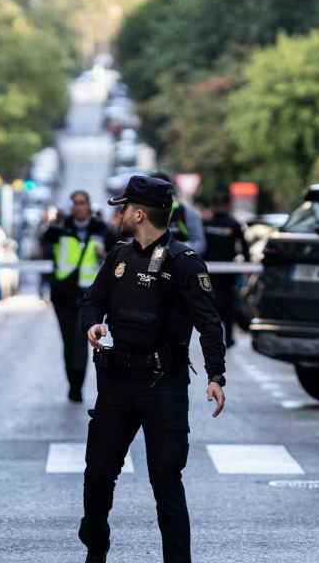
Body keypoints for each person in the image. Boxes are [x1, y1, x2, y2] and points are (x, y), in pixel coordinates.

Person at [78, 174, 226, 563]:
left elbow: (210, 323)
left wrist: (215, 375)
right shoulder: (119, 256)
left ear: (139, 213)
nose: (120, 213)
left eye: (124, 208)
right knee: (97, 475)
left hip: (164, 385)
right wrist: (92, 324)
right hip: (117, 383)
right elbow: (92, 301)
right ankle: (96, 546)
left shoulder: (184, 263)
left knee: (166, 482)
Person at [42, 191, 107, 402]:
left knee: (81, 340)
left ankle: (77, 387)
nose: (78, 207)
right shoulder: (61, 228)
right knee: (69, 341)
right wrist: (56, 220)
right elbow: (43, 238)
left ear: (89, 206)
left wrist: (103, 256)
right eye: (75, 204)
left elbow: (116, 255)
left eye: (82, 203)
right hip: (63, 295)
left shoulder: (101, 228)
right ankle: (72, 382)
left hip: (89, 295)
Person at [203, 192, 250, 348]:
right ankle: (227, 339)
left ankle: (213, 339)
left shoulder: (207, 224)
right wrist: (247, 265)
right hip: (227, 272)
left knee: (210, 306)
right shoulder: (233, 224)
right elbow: (245, 248)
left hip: (209, 271)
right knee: (227, 306)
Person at [149, 172, 206, 256]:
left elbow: (200, 245)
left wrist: (172, 249)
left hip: (180, 263)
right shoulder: (141, 213)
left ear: (170, 190)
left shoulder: (186, 212)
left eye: (160, 189)